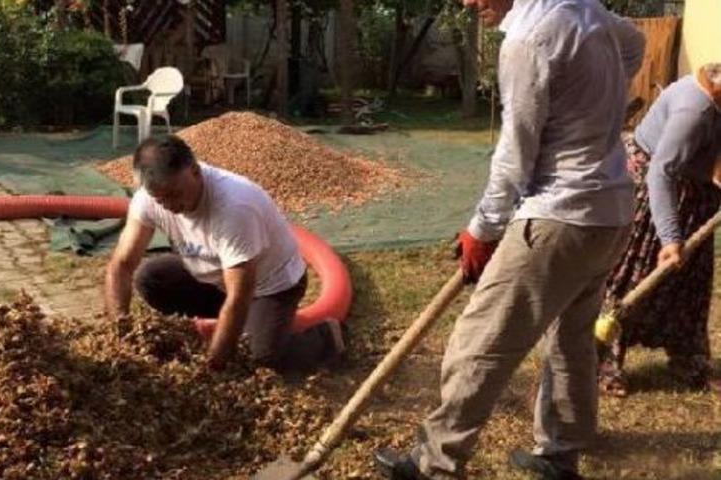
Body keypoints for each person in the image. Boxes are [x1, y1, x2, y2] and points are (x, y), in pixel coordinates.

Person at [373, 1, 644, 479]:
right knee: (572, 339)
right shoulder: (586, 11)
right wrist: (595, 105)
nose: (467, 3)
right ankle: (560, 454)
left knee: (480, 341)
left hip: (560, 214)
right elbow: (635, 43)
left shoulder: (529, 40)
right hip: (610, 213)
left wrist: (484, 229)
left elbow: (515, 154)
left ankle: (433, 461)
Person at [104, 135, 344, 372]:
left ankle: (325, 337)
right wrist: (121, 334)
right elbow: (121, 265)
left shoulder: (234, 206)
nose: (168, 205)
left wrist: (214, 367)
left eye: (175, 193)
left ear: (196, 171)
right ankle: (243, 326)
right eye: (160, 198)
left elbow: (240, 295)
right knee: (151, 278)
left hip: (268, 287)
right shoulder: (149, 198)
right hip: (214, 277)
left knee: (257, 358)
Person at [598, 64, 721, 396]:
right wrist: (670, 237)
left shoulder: (715, 98)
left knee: (691, 280)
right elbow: (660, 173)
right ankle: (602, 361)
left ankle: (687, 359)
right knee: (632, 276)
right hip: (658, 192)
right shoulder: (693, 111)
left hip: (695, 193)